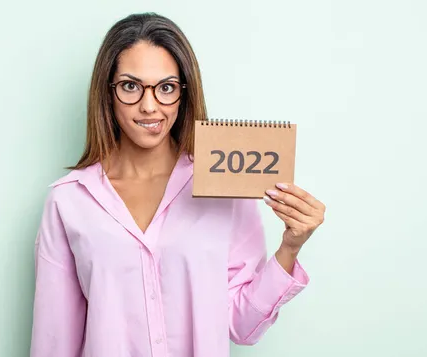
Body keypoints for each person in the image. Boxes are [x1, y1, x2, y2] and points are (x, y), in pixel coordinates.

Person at [29, 12, 326, 357]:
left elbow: (241, 327)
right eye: (130, 86)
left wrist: (289, 248)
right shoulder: (69, 201)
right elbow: (54, 341)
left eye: (166, 88)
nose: (149, 105)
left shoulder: (224, 187)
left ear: (184, 93)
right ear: (107, 92)